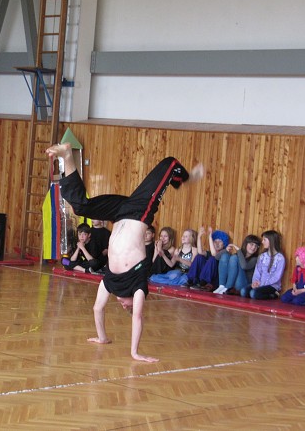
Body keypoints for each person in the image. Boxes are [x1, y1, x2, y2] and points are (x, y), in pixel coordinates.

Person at [46, 143, 204, 362]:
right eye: (126, 306)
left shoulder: (110, 282)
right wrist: (135, 352)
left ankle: (66, 156)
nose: (124, 306)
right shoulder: (137, 286)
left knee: (81, 208)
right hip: (139, 211)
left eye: (124, 307)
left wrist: (102, 337)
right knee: (169, 164)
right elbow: (138, 317)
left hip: (119, 213)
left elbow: (97, 309)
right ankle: (184, 178)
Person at [240, 230, 285, 299]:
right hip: (259, 284)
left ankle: (273, 295)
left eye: (264, 240)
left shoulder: (280, 258)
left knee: (253, 293)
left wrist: (262, 284)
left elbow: (276, 277)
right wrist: (255, 282)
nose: (262, 242)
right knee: (243, 291)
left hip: (271, 286)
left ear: (271, 241)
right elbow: (257, 272)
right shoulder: (262, 256)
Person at [186, 226, 230, 292]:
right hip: (205, 278)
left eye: (220, 241)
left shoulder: (224, 252)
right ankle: (190, 281)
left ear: (224, 244)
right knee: (199, 257)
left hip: (215, 280)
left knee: (212, 259)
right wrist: (199, 237)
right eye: (215, 241)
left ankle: (203, 284)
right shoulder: (210, 252)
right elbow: (200, 252)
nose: (217, 243)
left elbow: (214, 254)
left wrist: (210, 237)